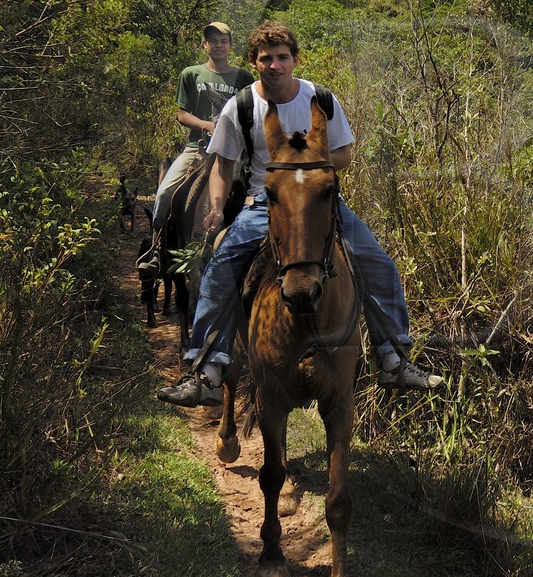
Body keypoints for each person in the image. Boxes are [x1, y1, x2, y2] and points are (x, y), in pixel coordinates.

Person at [157, 21, 442, 405]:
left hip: (320, 202)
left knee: (379, 265)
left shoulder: (320, 99)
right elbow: (224, 165)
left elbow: (344, 155)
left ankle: (392, 356)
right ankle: (206, 370)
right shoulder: (241, 106)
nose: (274, 66)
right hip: (265, 203)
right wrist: (216, 208)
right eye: (265, 59)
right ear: (254, 63)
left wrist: (306, 165)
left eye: (282, 57)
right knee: (219, 271)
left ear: (295, 60)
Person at [137, 21, 256, 273]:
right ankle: (156, 249)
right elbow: (181, 114)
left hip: (235, 150)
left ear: (231, 46)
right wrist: (206, 125)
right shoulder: (191, 74)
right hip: (197, 148)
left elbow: (250, 112)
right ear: (205, 45)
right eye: (213, 41)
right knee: (164, 193)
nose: (219, 45)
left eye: (224, 41)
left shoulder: (244, 77)